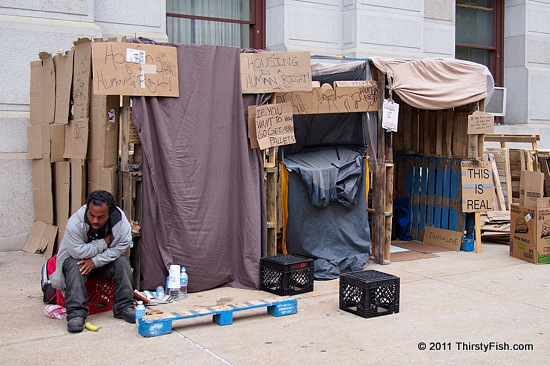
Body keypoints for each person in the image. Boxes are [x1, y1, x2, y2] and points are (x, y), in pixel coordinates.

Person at [50, 190, 136, 333]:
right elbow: (78, 252)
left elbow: (121, 247)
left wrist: (95, 261)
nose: (95, 221)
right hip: (76, 262)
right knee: (75, 265)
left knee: (122, 263)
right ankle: (76, 314)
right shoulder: (75, 223)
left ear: (109, 215)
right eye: (92, 215)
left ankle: (124, 307)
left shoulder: (120, 223)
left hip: (101, 263)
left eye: (101, 217)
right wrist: (105, 242)